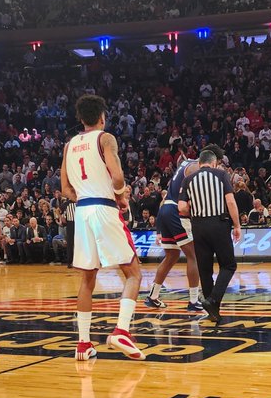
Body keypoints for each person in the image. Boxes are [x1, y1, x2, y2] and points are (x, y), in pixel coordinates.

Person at [61, 93, 144, 362]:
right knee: (133, 272)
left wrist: (86, 197)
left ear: (80, 118)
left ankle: (83, 344)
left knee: (87, 278)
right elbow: (118, 175)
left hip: (82, 211)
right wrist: (119, 195)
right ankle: (122, 331)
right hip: (103, 209)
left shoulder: (69, 145)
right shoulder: (105, 138)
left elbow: (65, 189)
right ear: (102, 117)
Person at [183, 145, 242, 325]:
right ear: (214, 162)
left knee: (205, 270)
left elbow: (182, 208)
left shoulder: (189, 179)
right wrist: (237, 225)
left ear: (199, 163)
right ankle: (214, 300)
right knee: (229, 265)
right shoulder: (221, 175)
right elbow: (230, 202)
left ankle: (213, 313)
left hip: (198, 226)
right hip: (218, 224)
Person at [144, 139, 204, 313]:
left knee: (171, 256)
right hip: (175, 212)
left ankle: (153, 296)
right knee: (194, 256)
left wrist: (160, 227)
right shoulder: (195, 166)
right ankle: (193, 300)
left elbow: (166, 198)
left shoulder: (183, 164)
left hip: (166, 210)